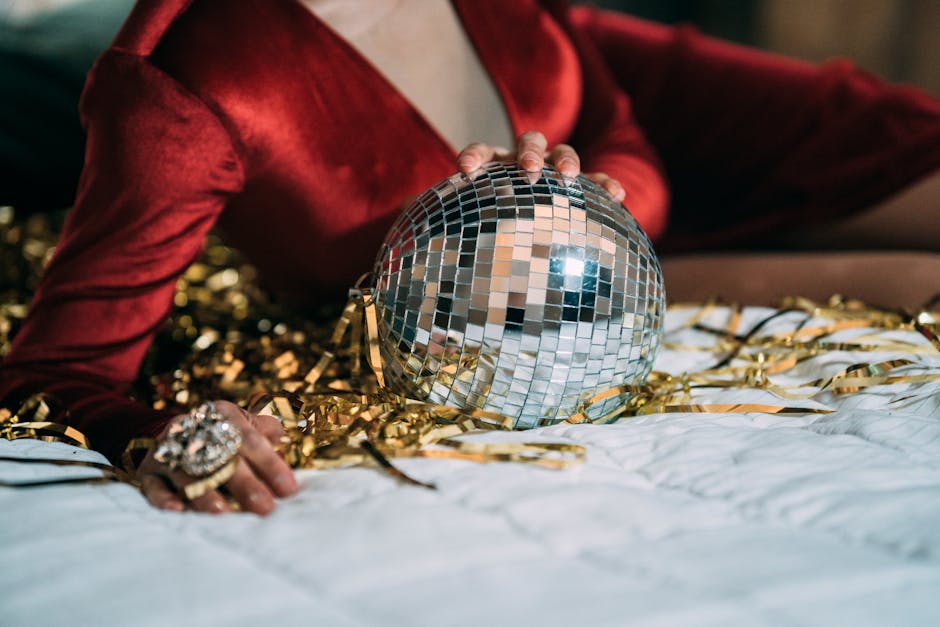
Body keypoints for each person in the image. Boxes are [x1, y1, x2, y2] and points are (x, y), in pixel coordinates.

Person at [1, 0, 938, 515]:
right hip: (589, 289)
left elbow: (619, 127)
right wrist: (161, 432)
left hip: (650, 149)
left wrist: (603, 194)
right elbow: (54, 368)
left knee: (898, 139)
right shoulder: (187, 82)